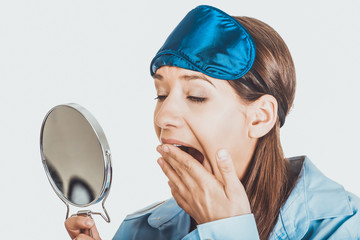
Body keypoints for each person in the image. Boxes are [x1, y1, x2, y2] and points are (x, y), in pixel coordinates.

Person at [65, 5, 360, 240]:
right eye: (161, 94)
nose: (163, 117)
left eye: (196, 96)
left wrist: (228, 231)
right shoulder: (141, 231)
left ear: (261, 117)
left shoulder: (343, 225)